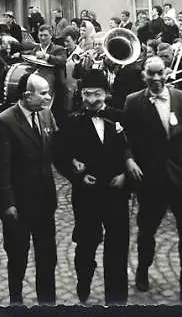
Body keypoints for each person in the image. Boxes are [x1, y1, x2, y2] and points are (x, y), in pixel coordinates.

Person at [124, 56, 182, 305]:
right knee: (147, 232)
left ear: (167, 73)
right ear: (144, 76)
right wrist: (128, 159)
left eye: (160, 73)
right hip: (151, 180)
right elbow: (125, 135)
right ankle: (142, 270)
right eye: (151, 73)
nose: (156, 78)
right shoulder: (133, 102)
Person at [53, 70, 131, 305]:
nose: (91, 100)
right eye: (87, 94)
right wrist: (76, 176)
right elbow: (59, 154)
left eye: (97, 94)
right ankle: (83, 283)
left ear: (106, 94)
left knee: (117, 245)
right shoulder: (71, 120)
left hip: (116, 192)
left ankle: (116, 298)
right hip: (86, 195)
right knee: (86, 244)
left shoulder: (120, 118)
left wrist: (125, 175)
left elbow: (134, 149)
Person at [0, 73, 58, 305]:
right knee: (18, 258)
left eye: (48, 92)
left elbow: (56, 152)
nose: (48, 97)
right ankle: (16, 303)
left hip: (45, 203)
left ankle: (47, 304)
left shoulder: (47, 115)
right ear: (27, 95)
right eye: (43, 93)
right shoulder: (4, 122)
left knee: (47, 258)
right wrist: (7, 203)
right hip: (19, 206)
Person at [31, 25, 67, 125]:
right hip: (38, 88)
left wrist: (47, 56)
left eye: (45, 35)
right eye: (41, 35)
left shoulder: (58, 49)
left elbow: (62, 60)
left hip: (54, 87)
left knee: (54, 116)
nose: (42, 38)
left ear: (51, 36)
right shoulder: (35, 50)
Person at [63, 26, 82, 113]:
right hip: (65, 90)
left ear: (75, 40)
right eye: (64, 41)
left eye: (68, 41)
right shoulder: (63, 52)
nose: (65, 44)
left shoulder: (80, 53)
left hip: (75, 91)